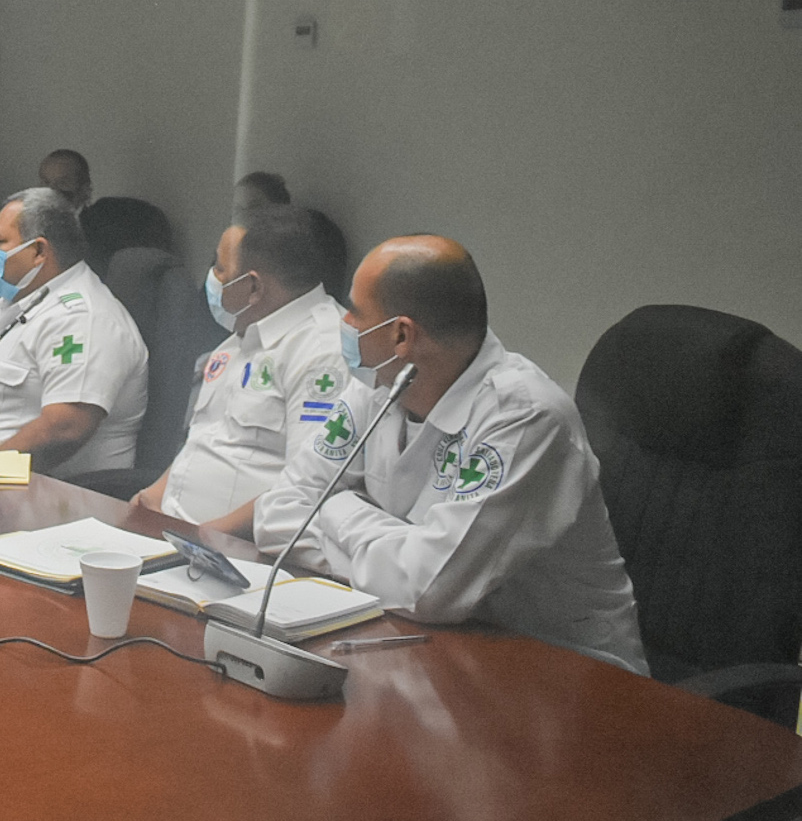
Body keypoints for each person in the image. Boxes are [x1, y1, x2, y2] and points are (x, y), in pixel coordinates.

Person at [252, 235, 646, 673]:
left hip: (565, 672)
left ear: (401, 335)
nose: (344, 321)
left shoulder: (524, 417)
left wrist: (336, 508)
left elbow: (427, 590)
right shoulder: (376, 383)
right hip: (432, 644)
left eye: (355, 311)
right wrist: (398, 562)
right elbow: (274, 515)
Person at [131, 205, 347, 537]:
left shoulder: (323, 351)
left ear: (254, 287)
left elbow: (310, 486)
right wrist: (152, 496)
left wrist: (204, 538)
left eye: (221, 269)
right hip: (177, 531)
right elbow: (206, 438)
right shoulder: (238, 339)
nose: (212, 279)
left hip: (238, 548)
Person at [0, 187, 149, 478]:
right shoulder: (14, 299)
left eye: (0, 241)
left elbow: (64, 429)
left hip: (29, 491)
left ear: (39, 251)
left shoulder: (84, 320)